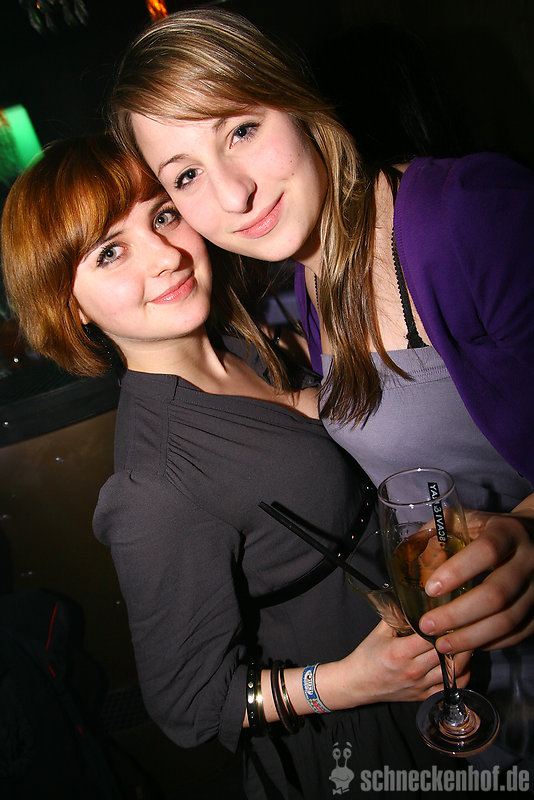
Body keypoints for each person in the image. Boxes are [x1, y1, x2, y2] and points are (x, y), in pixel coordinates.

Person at [1, 134, 476, 799]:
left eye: (163, 216)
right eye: (110, 252)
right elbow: (187, 706)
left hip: (433, 666)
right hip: (355, 739)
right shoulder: (153, 484)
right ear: (71, 306)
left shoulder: (243, 344)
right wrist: (353, 681)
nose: (165, 255)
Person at [108, 5, 534, 661]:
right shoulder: (312, 277)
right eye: (186, 175)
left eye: (241, 130)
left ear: (295, 99)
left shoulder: (467, 214)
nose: (234, 195)